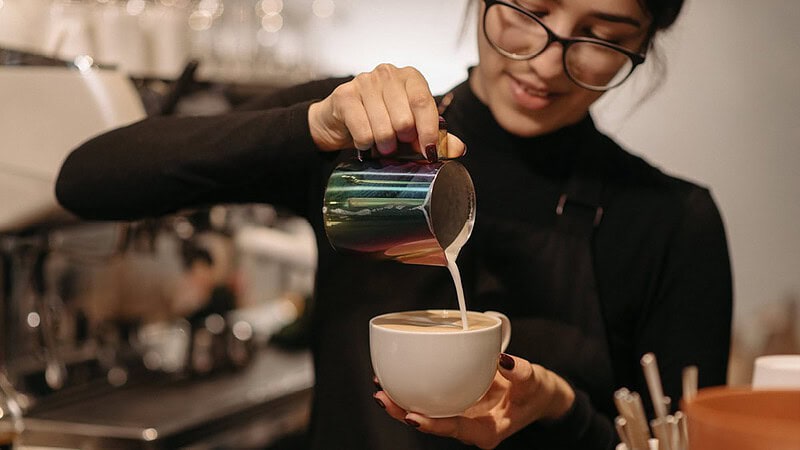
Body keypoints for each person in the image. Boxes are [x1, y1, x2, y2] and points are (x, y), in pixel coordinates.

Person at [55, 0, 733, 448]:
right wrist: (310, 124)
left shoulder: (670, 220)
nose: (548, 61)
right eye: (530, 9)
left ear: (644, 43)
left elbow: (676, 440)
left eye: (602, 37)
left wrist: (563, 411)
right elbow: (86, 180)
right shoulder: (367, 148)